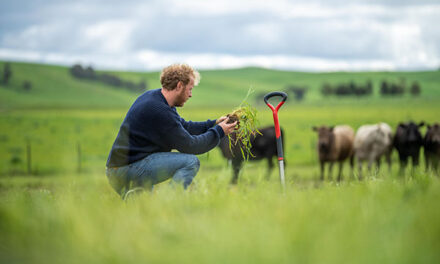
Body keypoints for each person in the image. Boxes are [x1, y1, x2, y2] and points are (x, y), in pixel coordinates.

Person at [106, 64, 237, 199]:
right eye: (190, 89)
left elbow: (184, 127)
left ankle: (139, 199)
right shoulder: (161, 111)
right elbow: (191, 146)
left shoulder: (155, 98)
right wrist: (219, 132)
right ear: (179, 85)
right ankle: (168, 202)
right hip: (127, 169)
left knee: (143, 210)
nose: (191, 95)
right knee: (191, 162)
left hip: (122, 168)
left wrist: (214, 123)